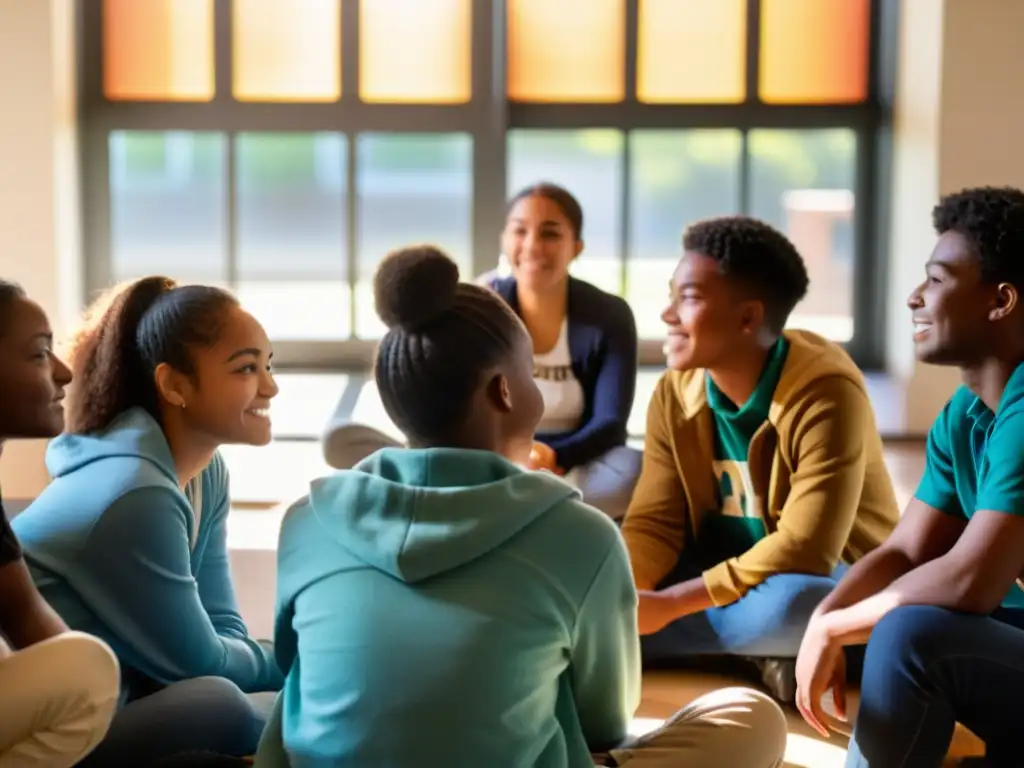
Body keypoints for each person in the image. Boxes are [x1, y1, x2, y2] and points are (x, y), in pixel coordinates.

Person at [255, 247, 787, 768]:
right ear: (504, 391)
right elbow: (603, 721)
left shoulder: (308, 520)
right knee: (751, 716)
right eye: (531, 372)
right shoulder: (583, 535)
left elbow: (291, 668)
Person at [621, 216, 899, 703]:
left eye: (686, 297)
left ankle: (662, 645)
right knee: (598, 575)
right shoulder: (674, 391)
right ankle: (751, 651)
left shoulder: (827, 391)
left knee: (801, 605)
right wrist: (622, 594)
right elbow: (655, 523)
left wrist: (667, 606)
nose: (667, 314)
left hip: (818, 578)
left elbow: (806, 548)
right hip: (721, 577)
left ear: (748, 318)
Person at [794, 186, 1024, 768]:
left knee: (909, 634)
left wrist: (841, 627)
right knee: (886, 607)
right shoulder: (966, 413)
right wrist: (822, 623)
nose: (914, 297)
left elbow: (971, 578)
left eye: (938, 280)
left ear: (1001, 300)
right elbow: (906, 552)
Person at [12, 276, 283, 766]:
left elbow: (220, 621)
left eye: (268, 364)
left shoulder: (206, 471)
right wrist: (297, 660)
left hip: (135, 687)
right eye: (246, 368)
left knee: (241, 696)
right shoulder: (134, 493)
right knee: (222, 704)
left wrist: (277, 666)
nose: (270, 386)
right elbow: (196, 663)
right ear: (174, 385)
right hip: (72, 717)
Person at [323, 183, 642, 521]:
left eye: (550, 234)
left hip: (570, 465)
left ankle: (465, 507)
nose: (533, 245)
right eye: (520, 231)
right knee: (339, 439)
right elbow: (447, 402)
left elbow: (610, 425)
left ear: (576, 246)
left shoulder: (609, 315)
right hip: (479, 460)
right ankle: (531, 511)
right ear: (505, 240)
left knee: (634, 469)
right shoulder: (481, 303)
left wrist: (550, 454)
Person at [0, 279, 120, 766]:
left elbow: (27, 619)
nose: (65, 372)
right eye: (39, 355)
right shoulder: (135, 488)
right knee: (88, 669)